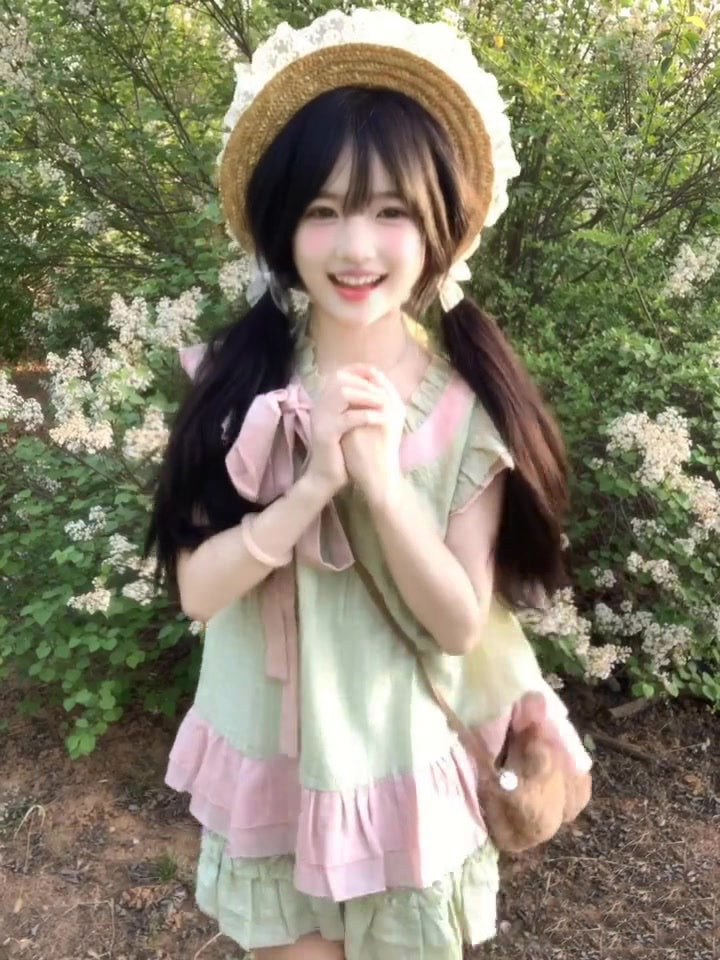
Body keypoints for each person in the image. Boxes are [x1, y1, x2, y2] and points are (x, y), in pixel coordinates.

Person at [145, 8, 592, 959]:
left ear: (439, 229)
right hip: (268, 764)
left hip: (396, 777)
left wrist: (383, 490)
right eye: (323, 210)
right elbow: (196, 591)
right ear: (283, 226)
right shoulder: (238, 382)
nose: (356, 247)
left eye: (391, 212)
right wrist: (307, 493)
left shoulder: (463, 407)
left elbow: (459, 622)